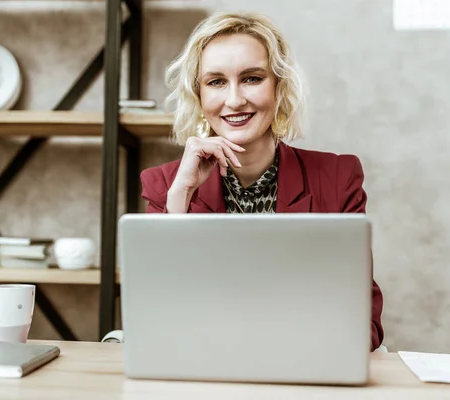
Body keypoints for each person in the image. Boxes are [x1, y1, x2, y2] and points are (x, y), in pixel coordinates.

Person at [139, 12, 384, 351]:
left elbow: (363, 323)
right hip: (205, 371)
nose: (235, 100)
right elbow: (156, 317)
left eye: (252, 78)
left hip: (306, 367)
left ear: (278, 86)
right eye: (216, 82)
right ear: (198, 95)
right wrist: (179, 200)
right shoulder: (164, 185)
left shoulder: (339, 177)